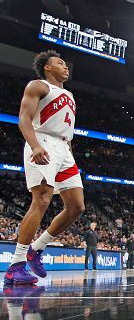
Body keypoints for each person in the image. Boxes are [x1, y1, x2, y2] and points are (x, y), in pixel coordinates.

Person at [4, 51, 85, 286]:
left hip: (63, 149)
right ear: (47, 68)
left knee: (77, 206)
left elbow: (65, 128)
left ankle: (36, 248)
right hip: (43, 142)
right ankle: (16, 265)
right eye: (59, 63)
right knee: (41, 200)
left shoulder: (69, 94)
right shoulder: (38, 86)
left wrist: (69, 154)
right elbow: (24, 119)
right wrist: (35, 145)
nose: (65, 66)